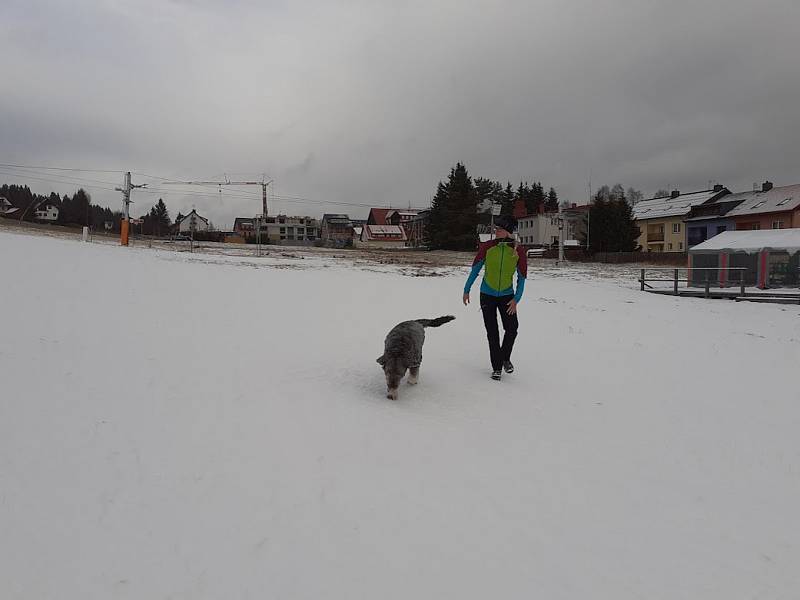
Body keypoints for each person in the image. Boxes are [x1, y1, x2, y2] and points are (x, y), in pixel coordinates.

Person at [462, 214, 527, 380]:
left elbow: (522, 277)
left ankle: (505, 358)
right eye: (496, 228)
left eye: (499, 229)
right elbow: (475, 269)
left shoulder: (518, 250)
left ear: (508, 232)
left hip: (507, 296)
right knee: (492, 332)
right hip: (487, 295)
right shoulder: (487, 247)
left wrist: (516, 299)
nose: (496, 231)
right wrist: (466, 289)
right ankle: (497, 367)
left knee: (512, 329)